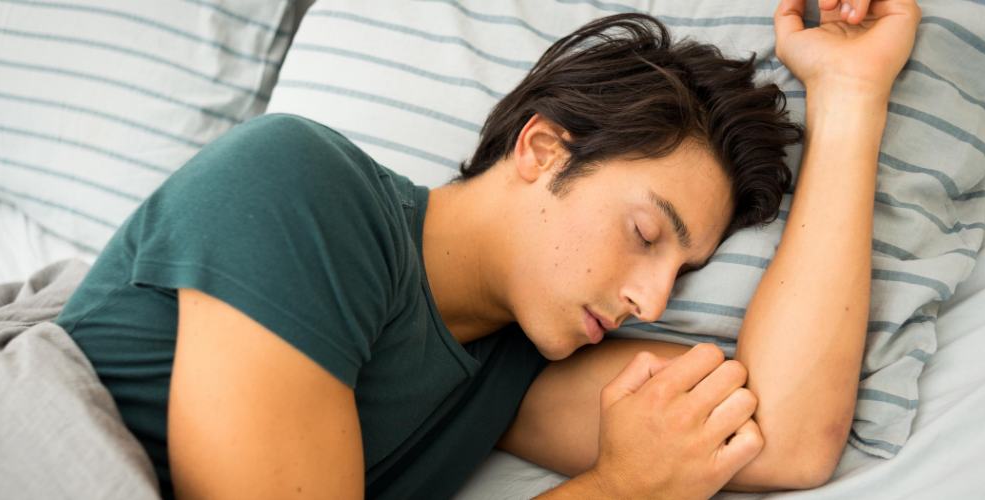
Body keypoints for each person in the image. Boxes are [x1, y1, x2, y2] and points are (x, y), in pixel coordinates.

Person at [53, 0, 920, 498]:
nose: (650, 302)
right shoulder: (297, 187)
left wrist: (847, 96)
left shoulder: (512, 367)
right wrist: (618, 490)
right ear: (541, 150)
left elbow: (786, 434)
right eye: (646, 235)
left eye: (680, 273)